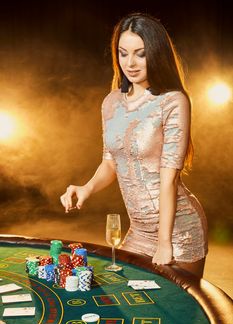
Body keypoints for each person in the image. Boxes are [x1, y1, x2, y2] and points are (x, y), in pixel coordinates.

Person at [60, 13, 208, 278]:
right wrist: (87, 188)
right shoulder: (111, 102)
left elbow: (169, 179)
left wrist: (165, 243)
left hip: (177, 230)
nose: (131, 63)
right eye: (123, 53)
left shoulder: (173, 101)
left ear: (156, 54)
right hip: (138, 231)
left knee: (179, 313)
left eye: (140, 54)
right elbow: (110, 161)